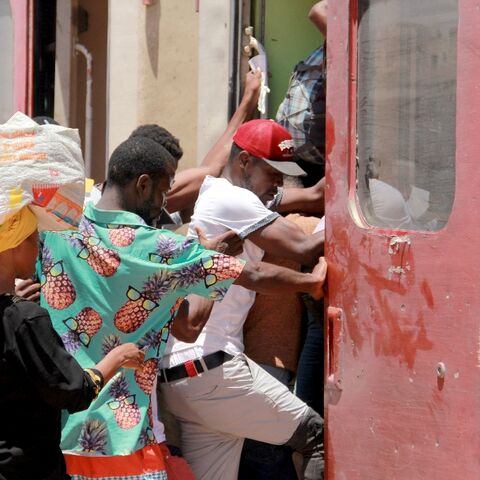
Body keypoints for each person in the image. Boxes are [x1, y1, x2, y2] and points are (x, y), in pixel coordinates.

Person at [38, 133, 326, 480]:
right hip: (124, 438)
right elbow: (245, 282)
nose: (164, 203)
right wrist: (311, 282)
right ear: (143, 185)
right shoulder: (157, 248)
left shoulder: (59, 232)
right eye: (163, 191)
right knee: (318, 438)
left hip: (62, 431)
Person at [159, 119, 326, 480]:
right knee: (318, 439)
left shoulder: (215, 192)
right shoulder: (235, 199)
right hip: (213, 370)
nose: (279, 185)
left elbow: (251, 275)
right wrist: (350, 212)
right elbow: (304, 246)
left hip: (184, 378)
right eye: (273, 173)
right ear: (245, 163)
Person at [0, 112, 144, 480]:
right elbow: (73, 390)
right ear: (14, 243)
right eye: (33, 238)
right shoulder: (23, 318)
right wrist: (118, 357)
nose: (37, 248)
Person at [239, 175, 322, 480]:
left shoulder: (244, 226)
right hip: (270, 362)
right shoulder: (298, 227)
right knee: (268, 457)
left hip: (237, 361)